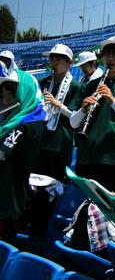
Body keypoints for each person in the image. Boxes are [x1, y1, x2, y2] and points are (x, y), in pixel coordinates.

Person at [69, 36, 115, 195]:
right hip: (88, 155)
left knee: (112, 208)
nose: (110, 58)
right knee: (85, 205)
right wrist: (83, 109)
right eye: (107, 54)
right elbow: (73, 124)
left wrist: (112, 100)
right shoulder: (88, 86)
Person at [0, 61, 46, 242]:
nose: (5, 99)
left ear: (24, 92)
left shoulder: (24, 125)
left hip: (8, 199)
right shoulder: (14, 122)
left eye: (10, 92)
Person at [38, 44, 82, 181]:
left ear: (69, 63)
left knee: (56, 182)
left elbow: (75, 116)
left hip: (61, 141)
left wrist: (57, 104)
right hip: (42, 138)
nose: (54, 62)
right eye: (52, 59)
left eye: (59, 59)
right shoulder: (44, 82)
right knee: (36, 180)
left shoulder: (75, 86)